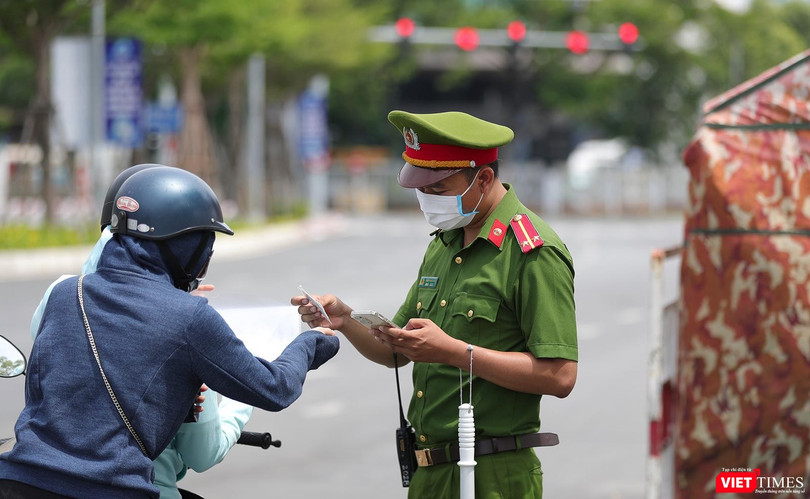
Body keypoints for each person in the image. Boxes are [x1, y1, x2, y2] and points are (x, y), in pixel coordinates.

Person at [0, 166, 339, 498]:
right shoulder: (190, 318)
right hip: (110, 489)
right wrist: (312, 344)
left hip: (17, 481)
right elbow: (274, 389)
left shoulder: (64, 293)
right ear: (185, 249)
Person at [293, 110, 577, 498]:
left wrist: (454, 352)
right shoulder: (445, 242)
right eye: (421, 190)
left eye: (438, 190)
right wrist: (344, 318)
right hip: (430, 473)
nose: (426, 200)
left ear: (484, 179)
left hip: (494, 474)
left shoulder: (532, 251)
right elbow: (397, 350)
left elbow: (560, 376)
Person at [27, 163, 254, 499]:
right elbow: (202, 453)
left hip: (39, 479)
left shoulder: (60, 296)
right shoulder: (185, 324)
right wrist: (239, 402)